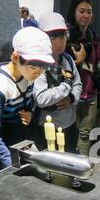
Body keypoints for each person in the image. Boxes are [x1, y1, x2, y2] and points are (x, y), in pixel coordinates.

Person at [0, 27, 55, 171]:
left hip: (24, 142)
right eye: (34, 65)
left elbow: (30, 102)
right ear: (15, 58)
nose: (39, 71)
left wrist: (30, 113)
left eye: (43, 66)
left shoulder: (28, 75)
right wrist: (10, 164)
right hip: (5, 149)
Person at [66, 0, 100, 156]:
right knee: (69, 133)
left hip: (90, 93)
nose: (86, 15)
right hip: (70, 94)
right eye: (81, 11)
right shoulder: (65, 36)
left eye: (89, 11)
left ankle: (81, 164)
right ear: (74, 12)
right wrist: (77, 61)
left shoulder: (93, 36)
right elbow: (58, 64)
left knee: (85, 133)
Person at [34, 12, 83, 153]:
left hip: (70, 123)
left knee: (71, 157)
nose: (58, 43)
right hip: (48, 126)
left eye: (62, 37)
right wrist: (66, 86)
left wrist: (71, 98)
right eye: (52, 38)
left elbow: (78, 84)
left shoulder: (67, 59)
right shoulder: (38, 64)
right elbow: (41, 98)